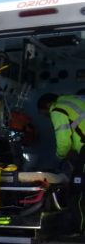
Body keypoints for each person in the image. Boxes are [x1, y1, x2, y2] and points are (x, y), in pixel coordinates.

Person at [38, 93, 85, 236]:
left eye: (45, 114)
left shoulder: (57, 109)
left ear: (47, 106)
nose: (48, 117)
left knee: (78, 192)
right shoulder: (76, 100)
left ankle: (80, 230)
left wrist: (59, 158)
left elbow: (64, 142)